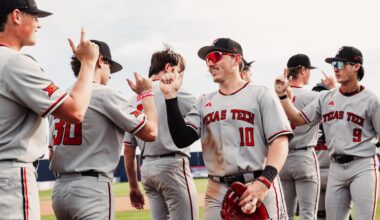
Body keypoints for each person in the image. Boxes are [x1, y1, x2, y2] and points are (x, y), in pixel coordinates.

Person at [160, 38, 293, 219]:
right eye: (207, 60)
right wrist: (170, 97)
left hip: (258, 182)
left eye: (215, 56)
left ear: (237, 59)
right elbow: (182, 139)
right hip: (217, 188)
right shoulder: (204, 101)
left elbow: (280, 141)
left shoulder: (261, 93)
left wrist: (264, 182)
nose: (210, 63)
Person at [0, 0, 99, 219]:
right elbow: (75, 111)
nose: (39, 24)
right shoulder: (14, 62)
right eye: (34, 17)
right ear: (16, 15)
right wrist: (88, 63)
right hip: (9, 177)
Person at [49, 40, 158, 220]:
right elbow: (151, 132)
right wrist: (146, 94)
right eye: (109, 67)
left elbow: (52, 154)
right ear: (100, 61)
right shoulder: (104, 93)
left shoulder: (62, 98)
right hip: (91, 188)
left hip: (60, 190)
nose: (110, 74)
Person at [275, 46, 380, 220]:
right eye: (334, 64)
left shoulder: (371, 100)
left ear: (356, 66)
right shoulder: (326, 97)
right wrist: (282, 97)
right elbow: (298, 119)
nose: (336, 68)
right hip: (336, 167)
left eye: (340, 63)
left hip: (362, 165)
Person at [124, 47, 199, 220]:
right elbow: (205, 115)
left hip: (148, 169)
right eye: (179, 71)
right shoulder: (175, 89)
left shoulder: (132, 99)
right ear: (169, 68)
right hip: (172, 165)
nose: (180, 77)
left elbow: (128, 149)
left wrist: (133, 186)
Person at [278, 54, 320, 220]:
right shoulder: (314, 96)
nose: (309, 73)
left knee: (283, 214)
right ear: (302, 70)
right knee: (308, 215)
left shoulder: (275, 96)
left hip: (281, 158)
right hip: (304, 156)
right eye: (308, 70)